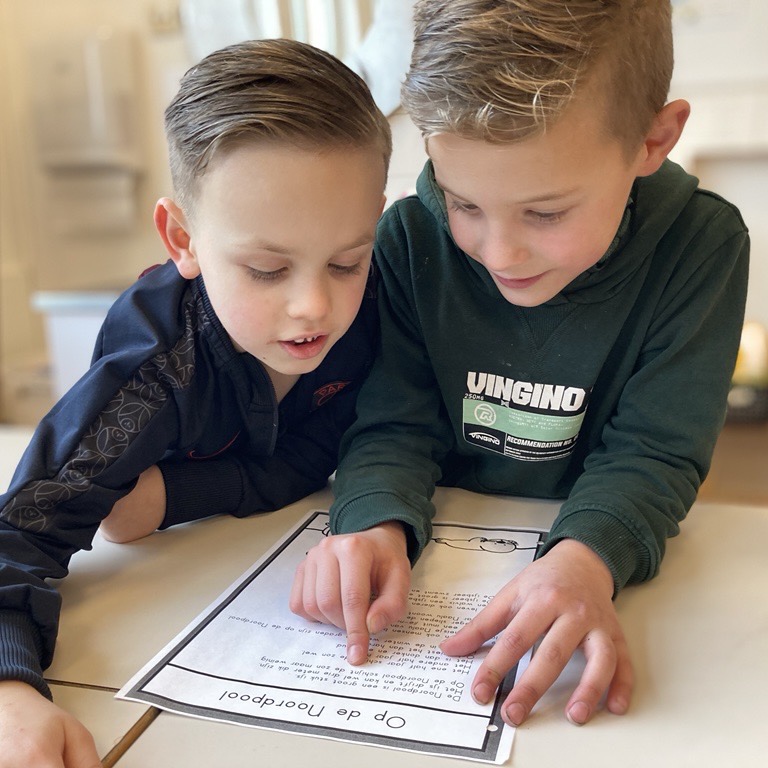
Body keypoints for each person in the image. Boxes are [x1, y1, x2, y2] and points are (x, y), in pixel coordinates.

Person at [290, 0, 749, 730]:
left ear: (653, 140)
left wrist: (586, 560)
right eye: (463, 201)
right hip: (444, 559)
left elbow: (656, 452)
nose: (498, 252)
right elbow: (393, 424)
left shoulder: (702, 245)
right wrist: (372, 521)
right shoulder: (410, 239)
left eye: (545, 213)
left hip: (602, 560)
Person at [0, 38, 390, 766]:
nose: (314, 307)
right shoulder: (151, 377)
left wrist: (181, 493)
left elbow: (325, 452)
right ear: (184, 239)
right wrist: (7, 691)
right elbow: (18, 536)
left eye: (346, 260)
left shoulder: (373, 310)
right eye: (266, 269)